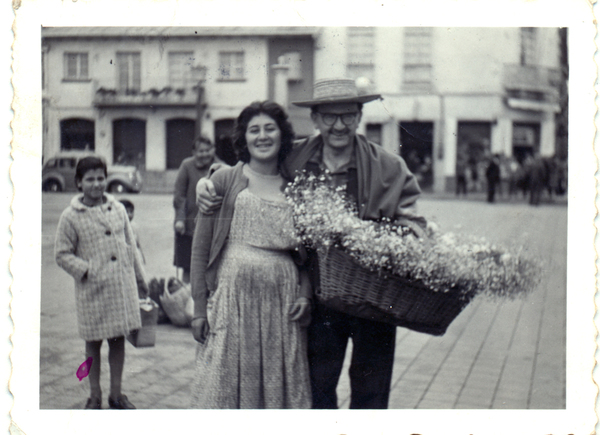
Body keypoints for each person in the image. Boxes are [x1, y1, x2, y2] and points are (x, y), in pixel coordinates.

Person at [197, 78, 425, 409]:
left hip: (375, 300)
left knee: (372, 392)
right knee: (317, 388)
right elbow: (250, 169)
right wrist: (207, 181)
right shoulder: (295, 157)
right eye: (329, 117)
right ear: (315, 120)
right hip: (320, 299)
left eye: (347, 115)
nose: (339, 125)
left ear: (359, 117)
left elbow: (414, 222)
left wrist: (385, 239)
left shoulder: (389, 166)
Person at [189, 101, 312, 409]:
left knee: (278, 387)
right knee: (226, 385)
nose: (262, 136)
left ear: (282, 135)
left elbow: (310, 254)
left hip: (281, 304)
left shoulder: (296, 187)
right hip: (233, 301)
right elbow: (201, 248)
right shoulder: (223, 180)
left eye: (270, 128)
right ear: (243, 139)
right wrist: (200, 309)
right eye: (254, 130)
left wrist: (305, 294)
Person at [55, 156, 148, 410]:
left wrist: (141, 279)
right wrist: (87, 270)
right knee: (93, 344)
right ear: (79, 183)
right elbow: (61, 254)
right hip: (93, 290)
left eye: (101, 178)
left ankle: (116, 394)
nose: (96, 184)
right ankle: (94, 395)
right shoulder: (70, 216)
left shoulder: (118, 209)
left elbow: (131, 245)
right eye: (90, 179)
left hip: (120, 288)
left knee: (118, 342)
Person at [173, 135, 216, 283]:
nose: (204, 154)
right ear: (194, 152)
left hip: (212, 227)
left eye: (207, 150)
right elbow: (179, 196)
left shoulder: (219, 167)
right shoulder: (187, 166)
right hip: (189, 227)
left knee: (211, 266)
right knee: (188, 267)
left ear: (213, 150)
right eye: (200, 151)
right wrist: (180, 220)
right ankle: (186, 300)